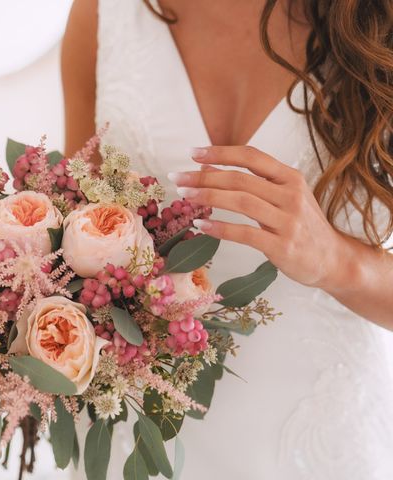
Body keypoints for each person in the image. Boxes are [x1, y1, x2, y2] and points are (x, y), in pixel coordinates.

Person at [61, 1, 393, 478]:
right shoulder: (103, 12)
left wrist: (337, 261)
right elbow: (70, 233)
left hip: (323, 442)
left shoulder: (379, 22)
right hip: (140, 435)